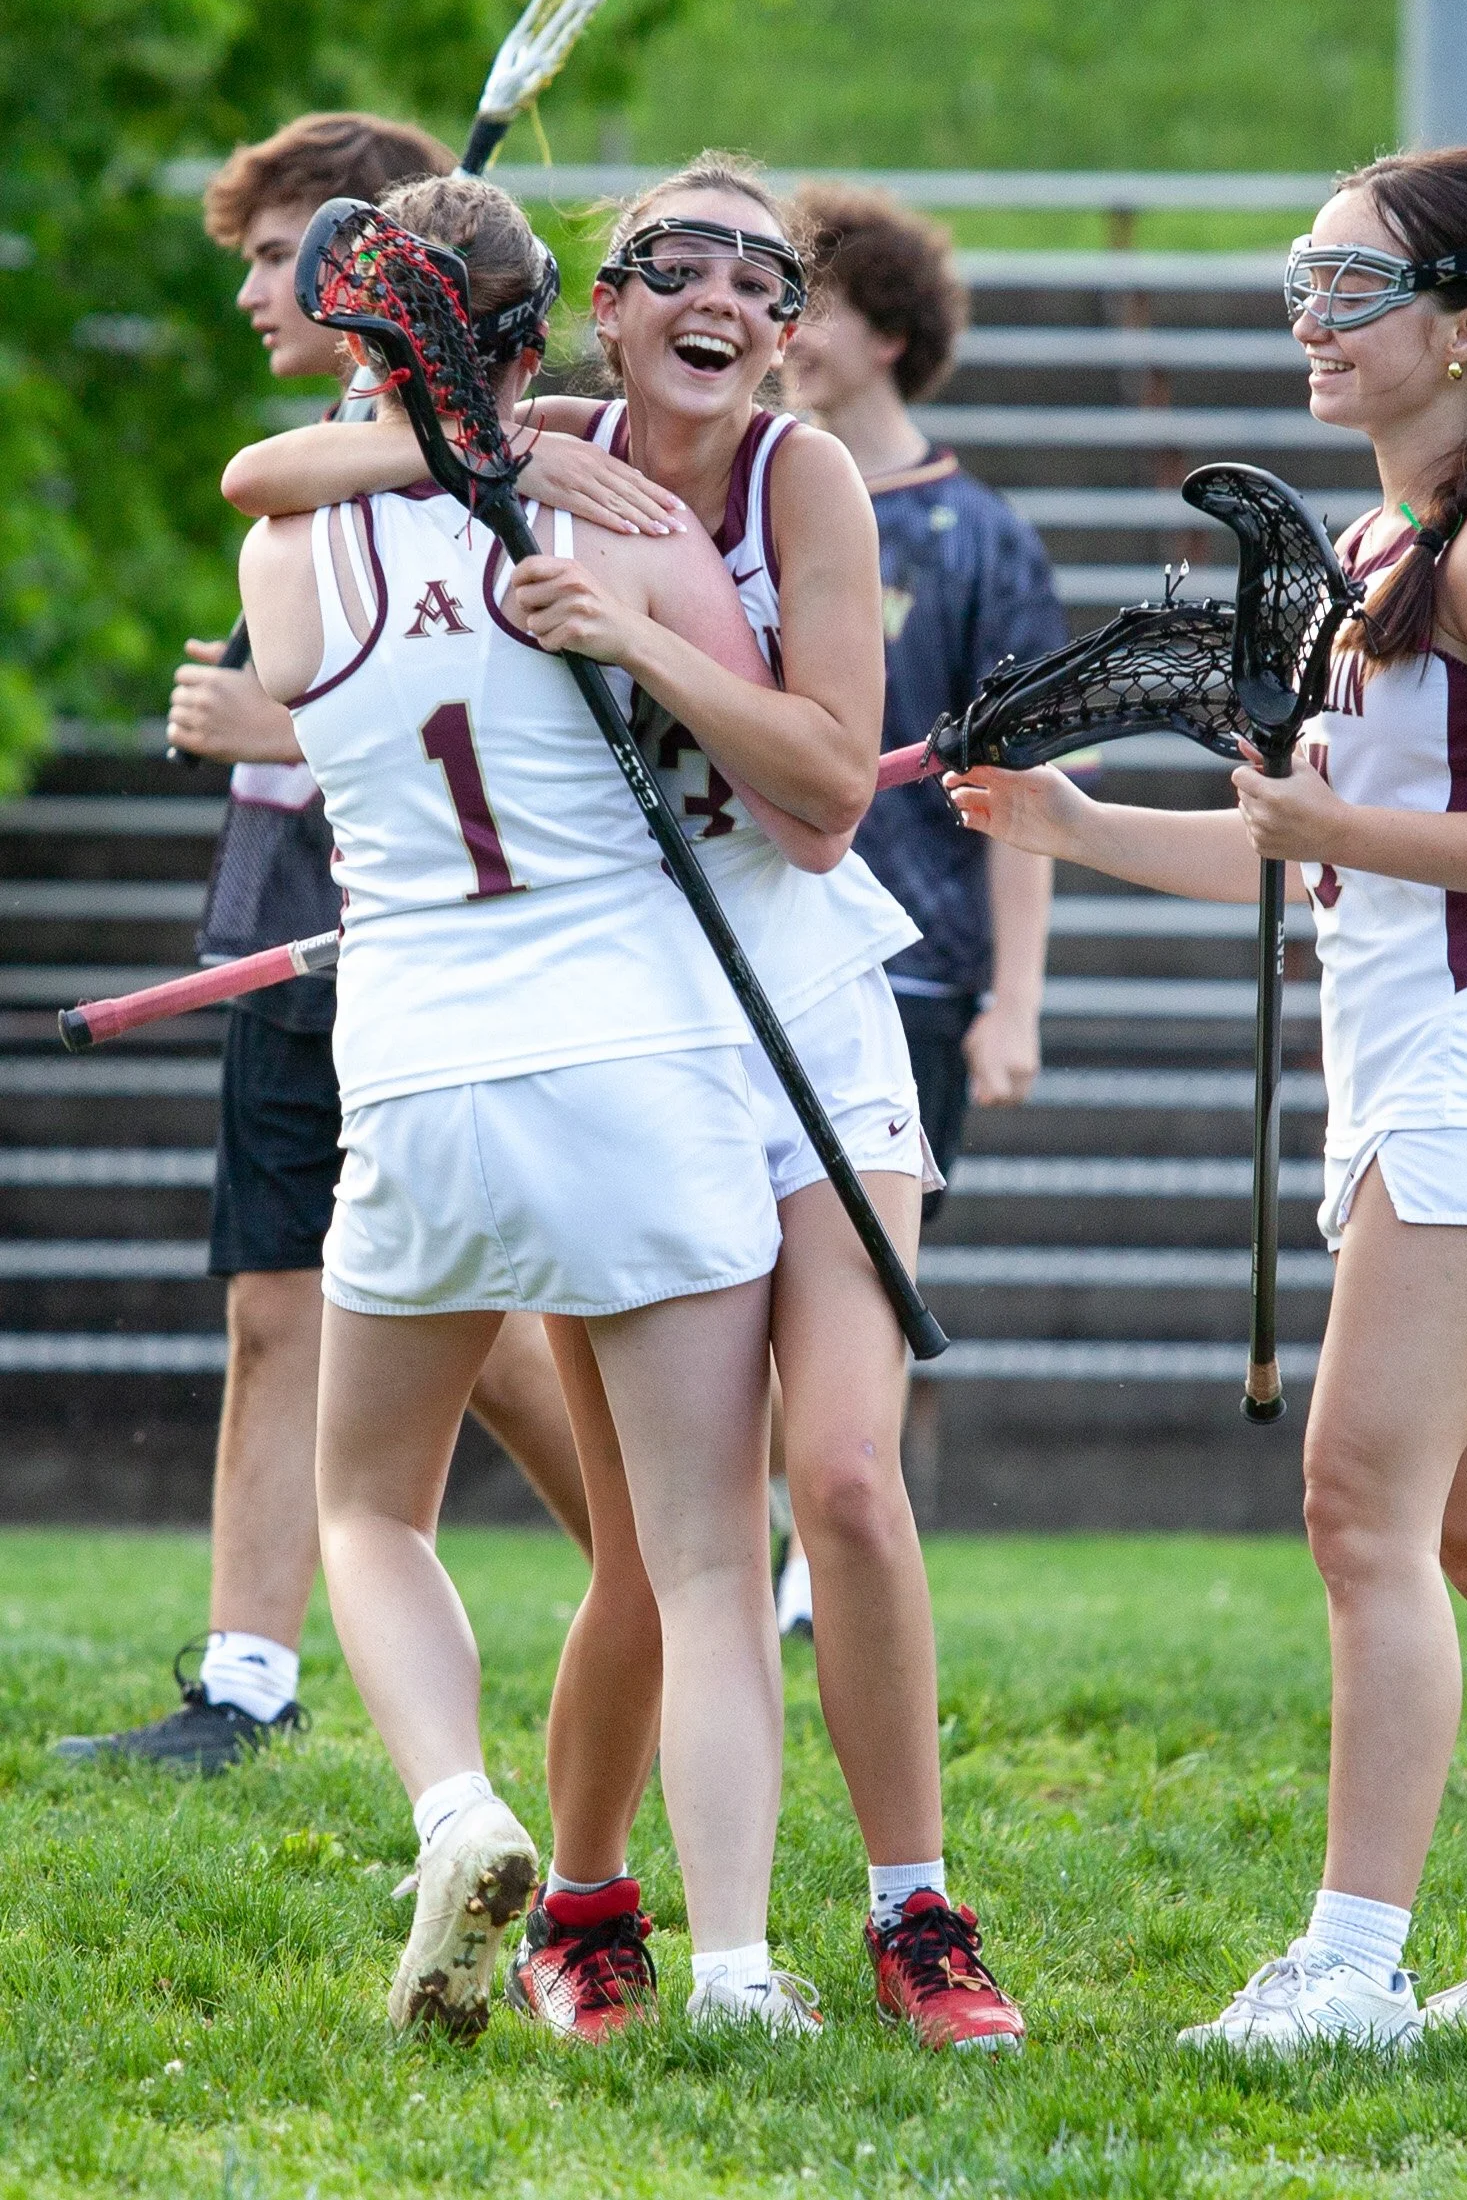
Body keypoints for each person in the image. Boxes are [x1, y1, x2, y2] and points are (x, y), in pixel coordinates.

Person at [225, 151, 1026, 2053]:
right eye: (686, 262)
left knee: (827, 1478)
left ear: (796, 322)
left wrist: (640, 632)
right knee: (659, 1538)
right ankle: (590, 1903)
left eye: (771, 274)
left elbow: (827, 794)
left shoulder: (789, 479)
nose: (733, 299)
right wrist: (453, 457)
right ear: (597, 309)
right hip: (634, 1026)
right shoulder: (546, 447)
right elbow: (280, 467)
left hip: (789, 1004)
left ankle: (910, 1911)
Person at [948, 147, 1467, 2051]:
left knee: (1358, 1506)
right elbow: (1317, 866)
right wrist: (1074, 824)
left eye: (1347, 288)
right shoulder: (1379, 552)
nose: (1308, 318)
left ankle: (1349, 1968)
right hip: (1427, 1079)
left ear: (1462, 328)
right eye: (1300, 277)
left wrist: (1327, 816)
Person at [52, 114, 623, 1776]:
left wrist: (274, 727)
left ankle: (667, 1577)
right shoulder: (340, 457)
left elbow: (439, 728)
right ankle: (245, 1673)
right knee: (289, 1308)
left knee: (452, 1332)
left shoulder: (499, 462)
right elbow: (274, 485)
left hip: (395, 943)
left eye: (279, 256)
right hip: (289, 923)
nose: (254, 290)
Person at [770, 182, 1066, 1636]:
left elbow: (1022, 788)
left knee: (862, 1278)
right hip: (754, 945)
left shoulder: (976, 540)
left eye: (807, 301)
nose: (779, 331)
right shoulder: (746, 501)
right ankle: (769, 1553)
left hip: (915, 971)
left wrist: (1014, 1000)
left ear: (885, 332)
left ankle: (818, 1566)